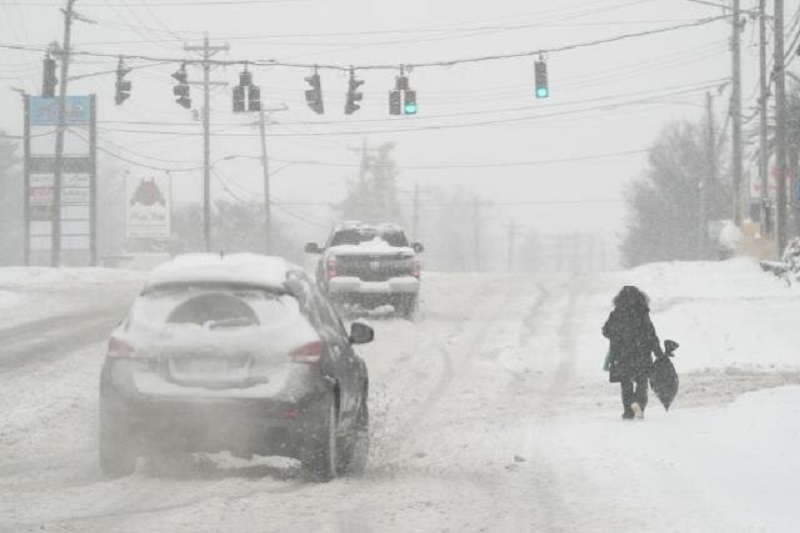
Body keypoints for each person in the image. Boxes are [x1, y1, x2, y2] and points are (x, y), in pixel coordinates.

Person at [602, 286, 663, 420]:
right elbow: (651, 334)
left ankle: (628, 411)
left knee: (626, 383)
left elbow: (606, 331)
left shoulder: (616, 314)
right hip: (642, 353)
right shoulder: (642, 313)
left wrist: (618, 335)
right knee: (642, 381)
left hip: (622, 354)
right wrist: (658, 352)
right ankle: (639, 403)